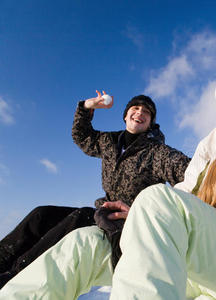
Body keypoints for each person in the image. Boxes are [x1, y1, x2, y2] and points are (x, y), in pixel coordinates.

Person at [0, 61, 216, 299]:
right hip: (197, 258)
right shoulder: (213, 143)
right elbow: (185, 196)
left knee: (155, 198)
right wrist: (132, 212)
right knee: (85, 242)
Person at [0, 91, 190, 288]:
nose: (140, 112)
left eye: (147, 112)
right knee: (41, 214)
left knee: (81, 216)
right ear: (125, 115)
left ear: (150, 122)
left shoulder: (158, 152)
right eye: (135, 108)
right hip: (103, 212)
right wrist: (87, 107)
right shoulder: (109, 142)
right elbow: (81, 136)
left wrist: (142, 212)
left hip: (129, 222)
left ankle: (15, 275)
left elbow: (191, 173)